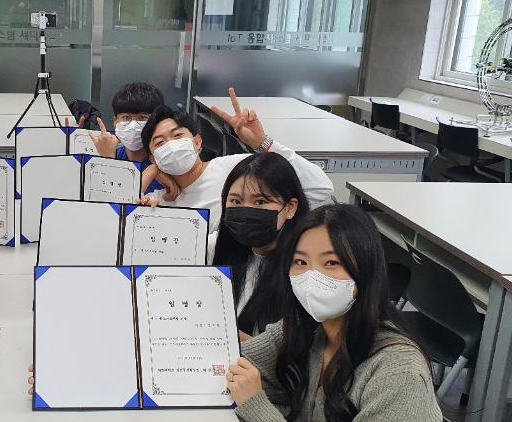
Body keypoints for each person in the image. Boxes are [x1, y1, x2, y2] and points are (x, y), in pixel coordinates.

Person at [228, 204, 441, 422]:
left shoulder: (399, 373)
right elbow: (235, 360)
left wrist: (257, 408)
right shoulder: (309, 327)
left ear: (365, 271)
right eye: (300, 262)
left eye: (331, 263)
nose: (312, 277)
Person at [138, 89, 333, 259]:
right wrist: (149, 173)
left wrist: (262, 143)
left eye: (178, 135)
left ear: (197, 142)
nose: (171, 145)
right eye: (160, 143)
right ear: (153, 158)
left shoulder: (238, 169)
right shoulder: (157, 203)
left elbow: (320, 190)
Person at [214, 152, 312, 334]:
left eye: (260, 201)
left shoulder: (304, 271)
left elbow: (292, 346)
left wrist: (223, 334)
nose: (246, 210)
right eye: (236, 201)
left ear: (290, 208)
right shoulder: (223, 249)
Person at [81, 82, 177, 197]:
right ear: (115, 121)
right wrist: (108, 160)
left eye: (142, 117)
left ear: (156, 121)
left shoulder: (167, 161)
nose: (133, 125)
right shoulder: (107, 153)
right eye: (126, 117)